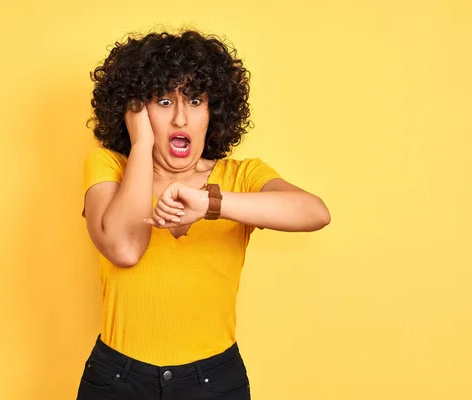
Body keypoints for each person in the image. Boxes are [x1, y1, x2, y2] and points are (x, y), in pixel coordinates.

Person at [77, 29, 330, 400]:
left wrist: (212, 205)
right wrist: (142, 145)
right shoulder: (110, 169)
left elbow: (315, 212)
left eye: (195, 100)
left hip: (213, 382)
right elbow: (126, 249)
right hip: (117, 379)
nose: (181, 119)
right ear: (136, 111)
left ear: (214, 111)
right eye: (163, 102)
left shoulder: (239, 176)